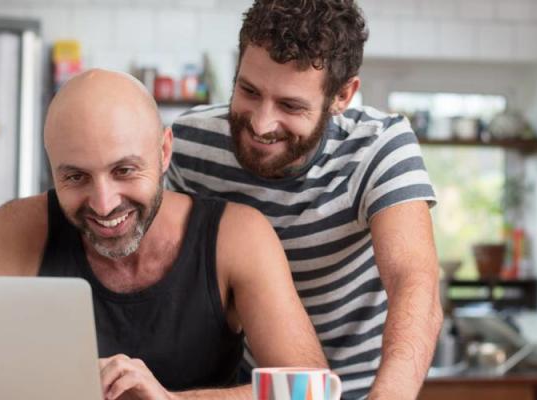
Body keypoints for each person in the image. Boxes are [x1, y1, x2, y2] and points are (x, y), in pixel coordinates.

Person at [0, 69, 326, 399]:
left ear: (164, 151)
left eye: (123, 170)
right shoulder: (13, 231)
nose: (103, 205)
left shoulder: (237, 237)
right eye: (76, 177)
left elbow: (311, 391)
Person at [167, 1, 442, 398]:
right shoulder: (190, 147)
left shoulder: (378, 149)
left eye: (290, 105)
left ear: (343, 95)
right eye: (248, 90)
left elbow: (413, 280)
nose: (261, 124)